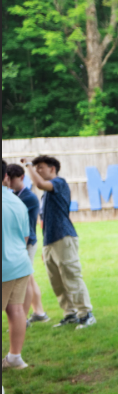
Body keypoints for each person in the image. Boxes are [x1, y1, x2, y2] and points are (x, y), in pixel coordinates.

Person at [22, 155, 95, 329]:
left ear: (52, 169)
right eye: (36, 167)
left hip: (64, 237)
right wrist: (45, 246)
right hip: (50, 241)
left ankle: (86, 314)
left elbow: (39, 184)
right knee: (57, 281)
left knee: (71, 276)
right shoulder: (46, 195)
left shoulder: (59, 183)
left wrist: (28, 166)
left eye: (41, 167)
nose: (38, 170)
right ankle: (70, 314)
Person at [5, 164, 49, 324]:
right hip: (21, 242)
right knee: (29, 278)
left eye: (12, 179)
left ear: (21, 177)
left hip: (26, 242)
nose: (9, 182)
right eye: (7, 178)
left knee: (26, 279)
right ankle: (39, 313)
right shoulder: (15, 195)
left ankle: (24, 318)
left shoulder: (27, 197)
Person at [3, 159, 35, 375]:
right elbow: (25, 237)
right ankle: (15, 357)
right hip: (20, 264)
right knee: (16, 310)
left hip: (5, 267)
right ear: (5, 176)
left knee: (14, 309)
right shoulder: (17, 202)